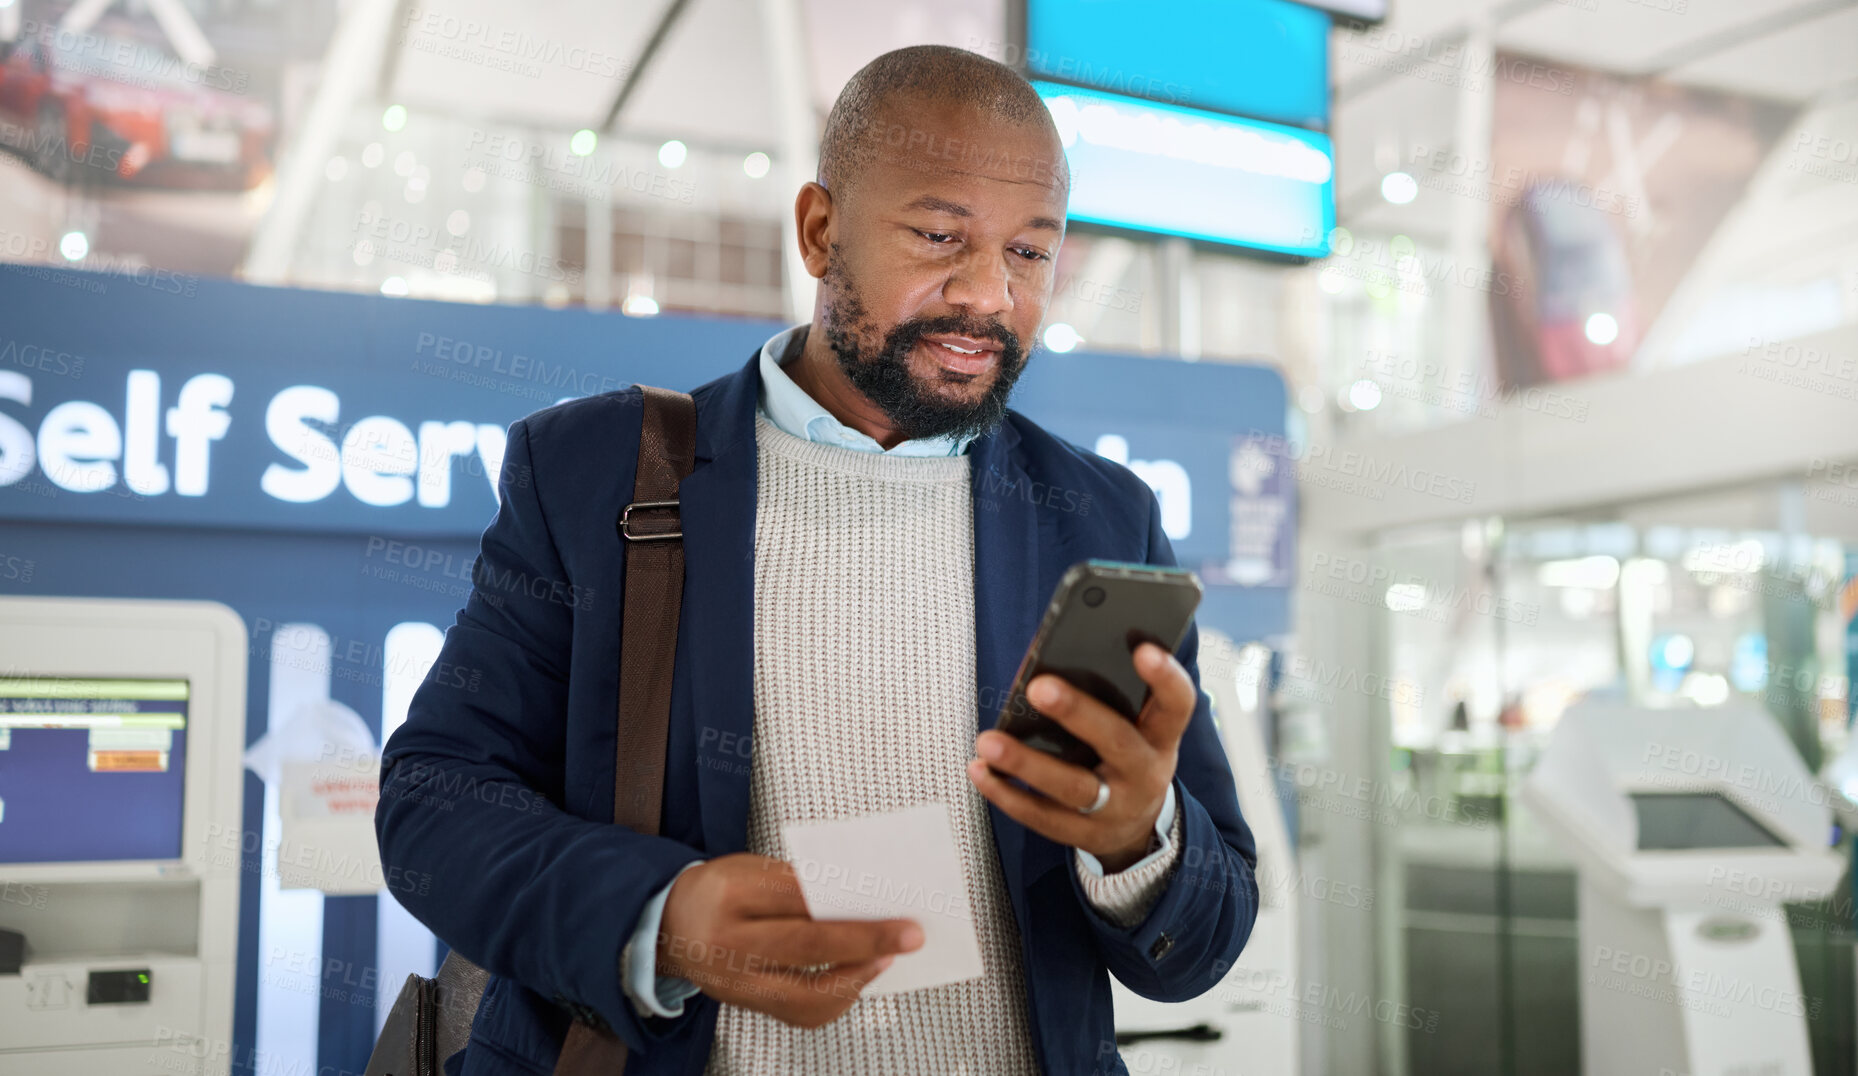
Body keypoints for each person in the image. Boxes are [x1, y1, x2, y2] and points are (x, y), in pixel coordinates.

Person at [377, 44, 1258, 1076]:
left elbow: (1201, 939)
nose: (987, 294)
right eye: (940, 235)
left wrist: (1137, 839)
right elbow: (434, 799)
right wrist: (659, 914)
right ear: (819, 228)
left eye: (1029, 252)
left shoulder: (1100, 516)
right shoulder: (596, 472)